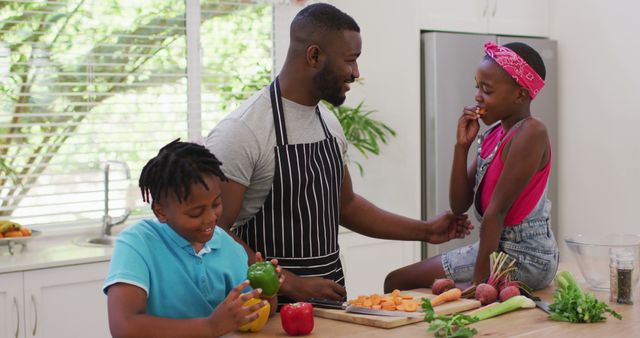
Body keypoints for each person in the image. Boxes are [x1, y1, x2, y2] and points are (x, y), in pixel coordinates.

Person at [206, 2, 472, 305]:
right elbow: (214, 230)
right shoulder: (244, 131)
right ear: (314, 55)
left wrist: (425, 231)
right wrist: (289, 283)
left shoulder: (329, 124)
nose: (356, 72)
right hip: (268, 308)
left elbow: (346, 206)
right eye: (350, 60)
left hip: (330, 301)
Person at [384, 42, 559, 293]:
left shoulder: (532, 131)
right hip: (496, 248)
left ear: (520, 95)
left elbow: (496, 213)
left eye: (486, 90)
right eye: (477, 87)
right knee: (396, 281)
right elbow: (458, 205)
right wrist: (461, 146)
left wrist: (480, 283)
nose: (477, 96)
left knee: (403, 283)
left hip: (527, 257)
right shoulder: (494, 134)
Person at [103, 139, 283, 338]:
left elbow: (252, 312)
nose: (210, 218)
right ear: (161, 211)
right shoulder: (138, 243)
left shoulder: (230, 248)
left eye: (216, 204)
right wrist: (210, 327)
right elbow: (125, 327)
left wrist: (267, 291)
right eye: (196, 213)